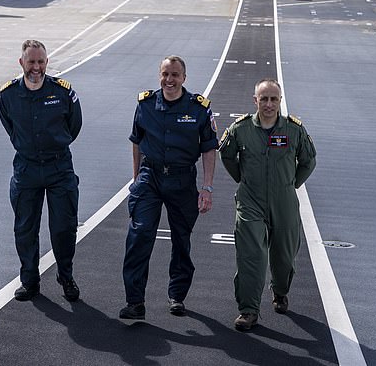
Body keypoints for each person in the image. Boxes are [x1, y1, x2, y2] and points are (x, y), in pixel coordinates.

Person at [120, 56, 217, 320]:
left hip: (182, 180)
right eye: (165, 74)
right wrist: (135, 178)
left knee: (181, 240)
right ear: (159, 75)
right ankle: (135, 301)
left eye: (175, 74)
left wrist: (206, 188)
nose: (169, 80)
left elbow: (209, 148)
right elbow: (136, 141)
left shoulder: (199, 109)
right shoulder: (145, 104)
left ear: (184, 77)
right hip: (150, 178)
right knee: (139, 236)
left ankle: (177, 295)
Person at [219, 78, 317, 331]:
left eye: (274, 99)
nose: (269, 104)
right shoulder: (240, 129)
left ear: (280, 101)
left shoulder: (294, 130)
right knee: (252, 255)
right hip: (250, 199)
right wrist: (242, 178)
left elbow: (308, 160)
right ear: (255, 101)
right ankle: (248, 310)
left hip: (283, 201)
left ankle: (280, 290)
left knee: (284, 256)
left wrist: (291, 184)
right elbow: (227, 155)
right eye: (264, 99)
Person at [0, 40, 83, 303]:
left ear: (47, 62)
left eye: (41, 61)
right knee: (25, 227)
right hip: (27, 167)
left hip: (59, 167)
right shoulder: (9, 95)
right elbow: (9, 126)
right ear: (21, 63)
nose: (36, 67)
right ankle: (29, 280)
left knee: (64, 228)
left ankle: (65, 275)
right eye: (31, 62)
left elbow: (74, 126)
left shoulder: (63, 92)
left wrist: (54, 146)